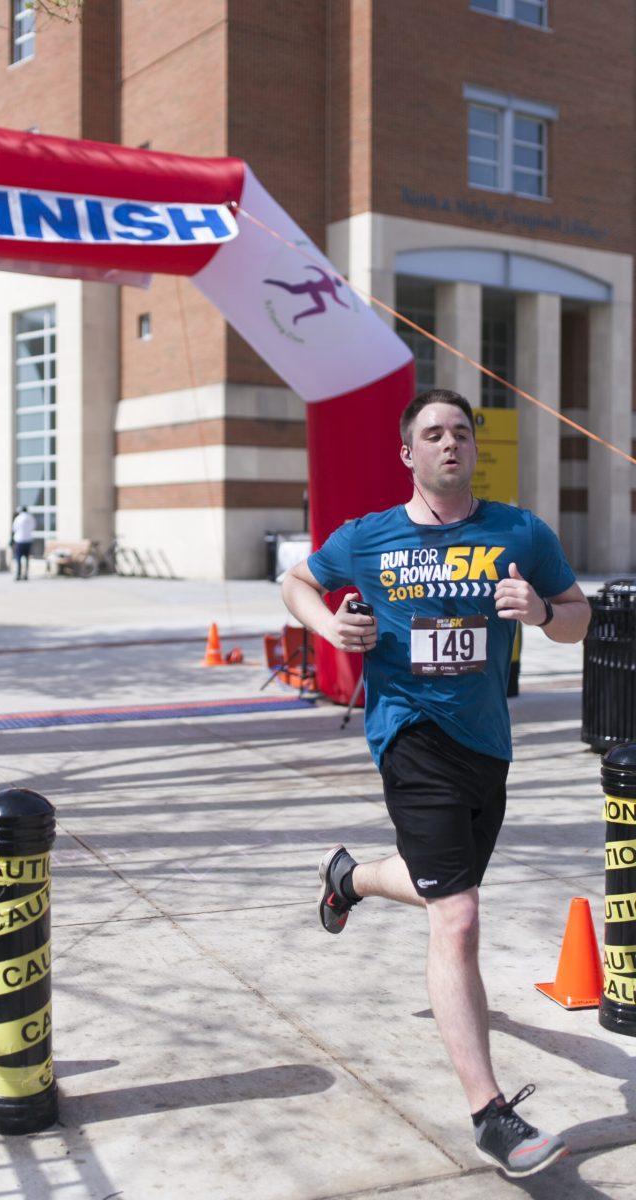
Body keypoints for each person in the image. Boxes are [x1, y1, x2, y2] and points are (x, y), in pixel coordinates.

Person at [282, 388, 590, 1180]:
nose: (449, 443)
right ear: (407, 455)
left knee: (438, 885)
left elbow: (577, 612)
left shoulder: (518, 531)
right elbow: (297, 583)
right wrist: (328, 627)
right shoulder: (368, 538)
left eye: (460, 432)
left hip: (486, 743)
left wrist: (540, 615)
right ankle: (492, 1116)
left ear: (472, 449)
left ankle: (348, 877)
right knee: (456, 915)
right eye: (432, 434)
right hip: (409, 737)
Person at [11, 505, 36, 581]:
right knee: (27, 558)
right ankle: (26, 574)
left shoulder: (18, 518)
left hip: (19, 541)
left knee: (18, 558)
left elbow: (14, 528)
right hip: (28, 540)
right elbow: (33, 527)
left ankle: (18, 574)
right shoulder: (31, 517)